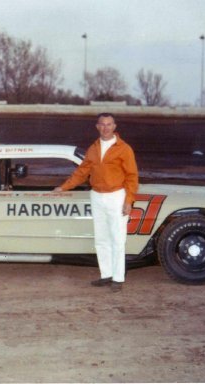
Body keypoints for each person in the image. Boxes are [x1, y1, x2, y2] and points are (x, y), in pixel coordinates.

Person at [54, 112, 139, 292]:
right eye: (102, 124)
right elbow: (82, 172)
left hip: (116, 196)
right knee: (101, 238)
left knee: (117, 239)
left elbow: (132, 177)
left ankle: (118, 278)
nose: (106, 128)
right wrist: (64, 187)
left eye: (109, 124)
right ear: (97, 126)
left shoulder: (124, 148)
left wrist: (128, 200)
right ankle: (106, 274)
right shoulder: (93, 148)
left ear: (114, 127)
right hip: (97, 196)